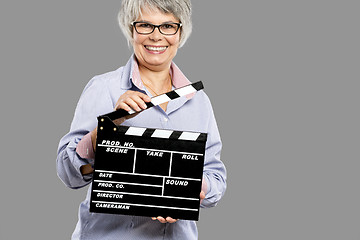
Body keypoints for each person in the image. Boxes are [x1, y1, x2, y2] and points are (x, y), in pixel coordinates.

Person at [56, 0, 226, 239]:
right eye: (145, 25)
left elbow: (216, 179)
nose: (156, 37)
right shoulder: (104, 88)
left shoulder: (199, 102)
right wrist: (104, 129)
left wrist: (187, 190)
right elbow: (68, 173)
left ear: (181, 31)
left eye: (168, 26)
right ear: (131, 29)